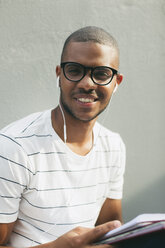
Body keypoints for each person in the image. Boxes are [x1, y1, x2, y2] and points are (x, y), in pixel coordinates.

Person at [0, 26, 125, 247]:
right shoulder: (14, 147)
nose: (87, 83)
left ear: (116, 82)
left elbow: (111, 229)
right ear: (59, 75)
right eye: (75, 70)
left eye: (101, 74)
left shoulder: (113, 146)